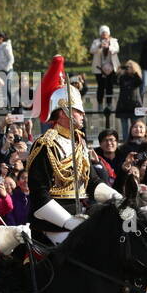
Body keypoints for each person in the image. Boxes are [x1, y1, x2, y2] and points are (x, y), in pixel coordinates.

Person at [26, 85, 117, 244]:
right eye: (78, 110)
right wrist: (69, 222)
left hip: (80, 217)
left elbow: (92, 182)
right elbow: (39, 194)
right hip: (52, 225)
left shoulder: (79, 142)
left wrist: (119, 199)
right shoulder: (46, 144)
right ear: (64, 112)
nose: (83, 114)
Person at [90, 25, 120, 115]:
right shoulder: (96, 42)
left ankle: (109, 104)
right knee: (101, 86)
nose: (104, 34)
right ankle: (100, 104)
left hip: (111, 68)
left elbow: (117, 49)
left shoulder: (113, 41)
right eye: (102, 33)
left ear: (109, 33)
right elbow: (92, 50)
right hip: (99, 69)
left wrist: (109, 47)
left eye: (106, 32)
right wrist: (100, 46)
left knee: (110, 86)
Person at [114, 60, 144, 139]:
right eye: (127, 67)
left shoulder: (135, 77)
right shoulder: (123, 77)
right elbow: (115, 82)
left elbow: (140, 82)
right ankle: (125, 143)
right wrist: (118, 72)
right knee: (125, 128)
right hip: (123, 106)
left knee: (136, 127)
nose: (128, 69)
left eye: (130, 67)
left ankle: (136, 142)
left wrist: (134, 71)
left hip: (134, 105)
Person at [0, 32, 15, 109]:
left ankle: (13, 106)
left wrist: (6, 69)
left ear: (1, 38)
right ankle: (7, 107)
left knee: (7, 88)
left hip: (8, 70)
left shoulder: (6, 46)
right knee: (3, 89)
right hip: (0, 71)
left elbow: (11, 59)